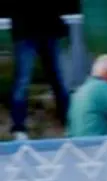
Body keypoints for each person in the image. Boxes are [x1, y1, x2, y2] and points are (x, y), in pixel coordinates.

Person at [8, 0, 70, 140]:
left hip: (48, 29)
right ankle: (18, 127)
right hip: (26, 31)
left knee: (57, 78)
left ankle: (68, 122)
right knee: (22, 81)